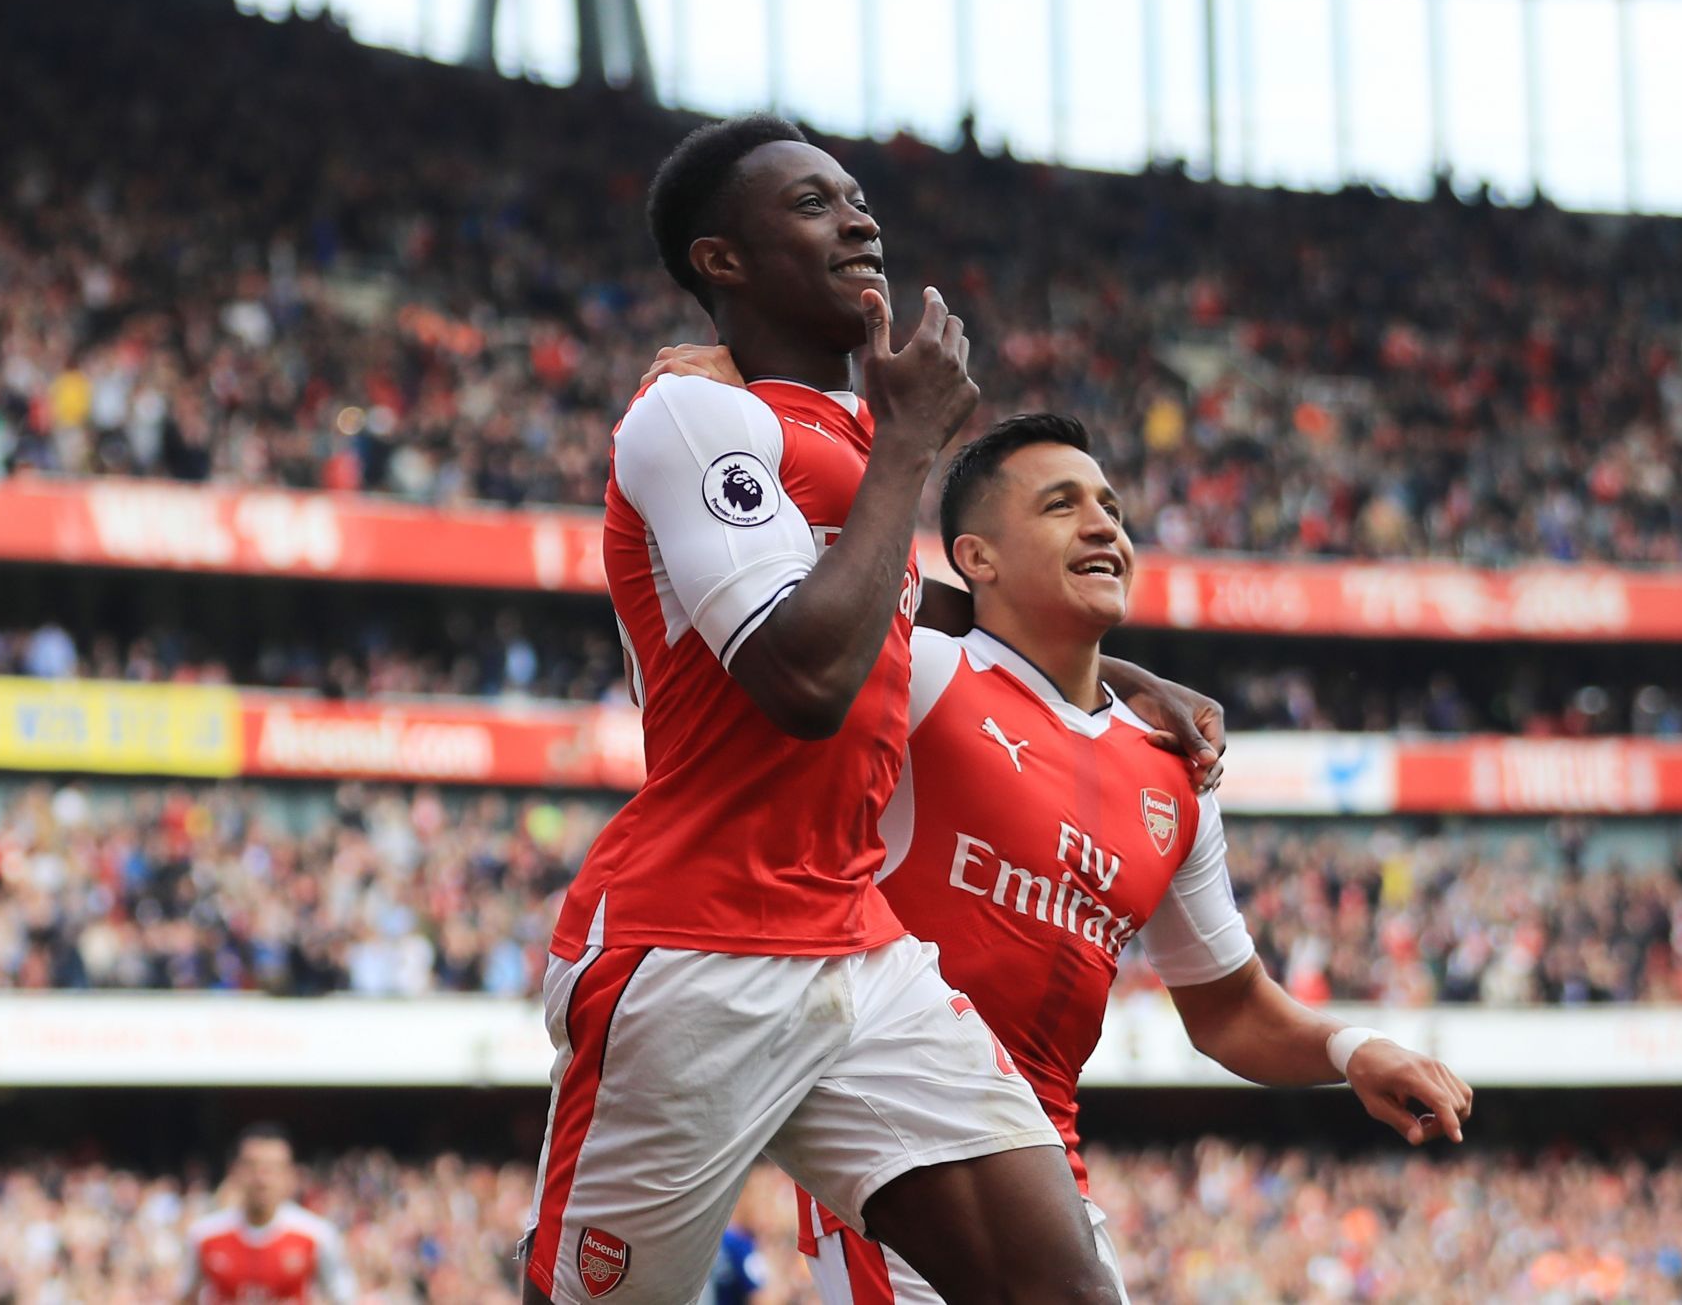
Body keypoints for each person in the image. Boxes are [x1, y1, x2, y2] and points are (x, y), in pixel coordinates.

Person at [523, 116, 1221, 1305]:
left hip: (857, 942)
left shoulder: (851, 439)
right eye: (810, 204)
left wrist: (1104, 675)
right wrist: (909, 444)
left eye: (856, 198)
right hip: (695, 950)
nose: (860, 219)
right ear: (720, 262)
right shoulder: (693, 418)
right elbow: (803, 681)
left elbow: (908, 600)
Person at [778, 413, 1473, 1302]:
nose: (1104, 524)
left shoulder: (1176, 771)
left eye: (1110, 506)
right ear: (977, 556)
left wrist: (1352, 1047)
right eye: (1060, 507)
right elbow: (804, 585)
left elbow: (1227, 1008)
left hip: (1046, 1179)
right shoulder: (922, 680)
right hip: (899, 1164)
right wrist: (733, 381)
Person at [180, 1122, 355, 1305]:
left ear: (289, 1174)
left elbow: (343, 1296)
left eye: (273, 1168)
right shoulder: (204, 1236)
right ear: (234, 1170)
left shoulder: (317, 1235)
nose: (262, 1179)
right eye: (252, 1167)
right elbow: (184, 1296)